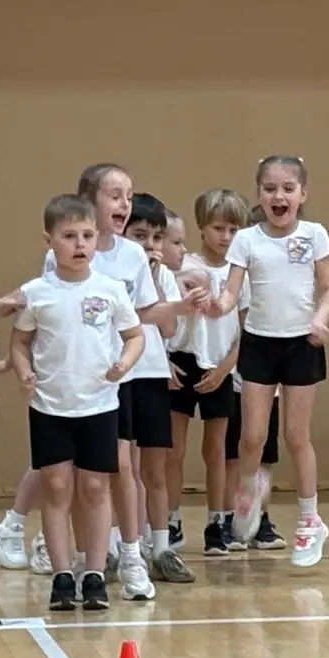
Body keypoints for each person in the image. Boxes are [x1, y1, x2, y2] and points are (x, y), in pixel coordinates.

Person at [9, 194, 145, 613]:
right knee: (56, 488)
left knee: (95, 487)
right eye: (69, 236)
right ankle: (62, 575)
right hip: (50, 408)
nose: (79, 244)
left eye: (87, 235)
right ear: (49, 240)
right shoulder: (36, 293)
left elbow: (135, 335)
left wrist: (125, 362)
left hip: (99, 406)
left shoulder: (109, 290)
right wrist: (24, 371)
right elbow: (20, 341)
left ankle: (94, 573)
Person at [211, 156, 329, 567]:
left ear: (302, 194)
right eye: (269, 189)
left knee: (296, 435)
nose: (278, 196)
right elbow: (231, 294)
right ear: (259, 194)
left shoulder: (315, 235)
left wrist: (320, 319)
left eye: (287, 188)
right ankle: (248, 490)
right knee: (252, 438)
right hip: (259, 344)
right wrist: (216, 305)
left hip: (302, 343)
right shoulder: (246, 240)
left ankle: (309, 521)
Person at [122, 195, 204, 586]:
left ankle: (160, 548)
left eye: (156, 238)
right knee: (123, 469)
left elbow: (168, 329)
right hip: (120, 376)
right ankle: (122, 547)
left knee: (155, 468)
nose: (150, 245)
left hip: (152, 374)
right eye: (140, 236)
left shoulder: (164, 277)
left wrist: (155, 280)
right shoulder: (112, 274)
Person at [169, 189, 249, 558]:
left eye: (234, 229)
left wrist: (225, 368)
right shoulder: (184, 265)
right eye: (219, 228)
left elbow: (247, 331)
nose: (226, 236)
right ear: (202, 227)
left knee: (216, 450)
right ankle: (170, 521)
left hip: (220, 365)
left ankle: (217, 522)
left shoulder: (241, 274)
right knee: (173, 449)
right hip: (182, 360)